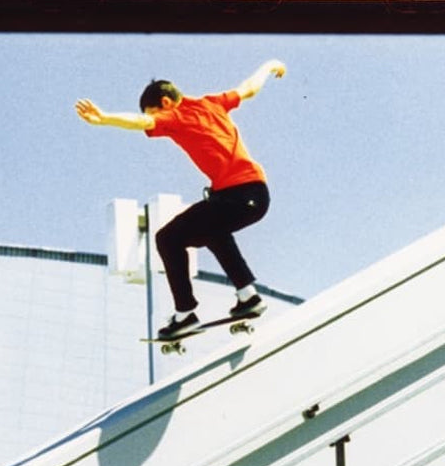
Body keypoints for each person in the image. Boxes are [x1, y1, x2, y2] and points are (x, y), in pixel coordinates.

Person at [75, 59, 286, 339]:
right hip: (256, 195)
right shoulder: (213, 103)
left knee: (167, 238)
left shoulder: (175, 116)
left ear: (165, 103)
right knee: (212, 230)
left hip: (238, 194)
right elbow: (248, 89)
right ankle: (248, 296)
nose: (158, 125)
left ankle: (185, 314)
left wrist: (104, 118)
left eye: (156, 113)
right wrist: (270, 66)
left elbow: (143, 121)